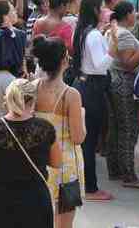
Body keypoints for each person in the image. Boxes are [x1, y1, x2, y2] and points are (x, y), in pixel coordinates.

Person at [0, 78, 61, 228]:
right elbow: (56, 162)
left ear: (7, 99)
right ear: (33, 100)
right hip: (35, 199)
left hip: (0, 200)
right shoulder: (45, 129)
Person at [32, 36, 87, 228]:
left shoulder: (32, 88)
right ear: (64, 60)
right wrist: (82, 116)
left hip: (39, 161)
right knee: (64, 223)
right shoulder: (71, 95)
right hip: (66, 165)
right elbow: (78, 137)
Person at [72, 0, 119, 201]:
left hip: (85, 85)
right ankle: (90, 188)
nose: (106, 11)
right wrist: (113, 48)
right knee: (89, 140)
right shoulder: (93, 35)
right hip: (92, 87)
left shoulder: (87, 31)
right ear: (94, 11)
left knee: (87, 140)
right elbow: (100, 66)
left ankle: (87, 184)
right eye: (102, 7)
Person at [106, 1, 139, 189]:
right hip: (124, 82)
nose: (136, 15)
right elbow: (128, 63)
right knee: (128, 128)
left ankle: (116, 168)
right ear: (127, 15)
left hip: (118, 81)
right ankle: (128, 174)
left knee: (117, 127)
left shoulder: (115, 31)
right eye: (134, 12)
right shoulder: (123, 34)